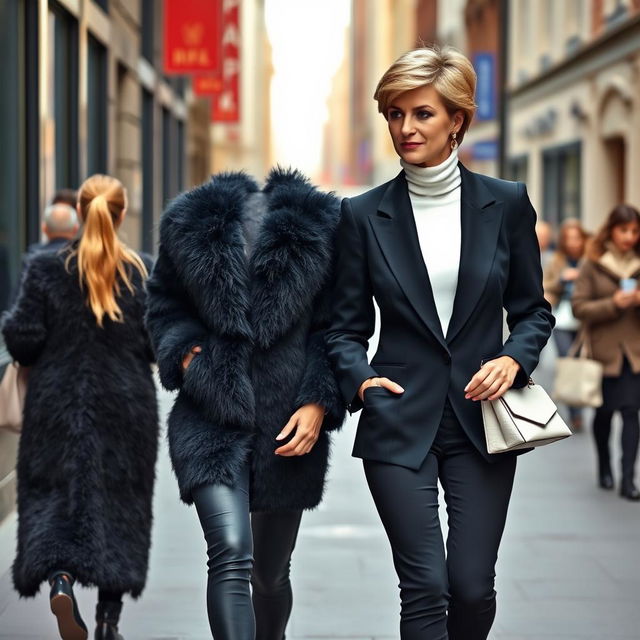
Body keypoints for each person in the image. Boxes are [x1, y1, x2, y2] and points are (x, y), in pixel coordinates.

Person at [325, 46, 554, 640]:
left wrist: (512, 358)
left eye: (422, 114)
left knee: (473, 587)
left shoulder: (505, 204)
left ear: (457, 120)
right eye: (395, 114)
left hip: (484, 420)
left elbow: (533, 310)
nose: (405, 128)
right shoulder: (361, 215)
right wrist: (360, 379)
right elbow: (345, 327)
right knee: (425, 586)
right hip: (399, 418)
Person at [145, 167, 345, 639]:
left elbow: (336, 327)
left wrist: (318, 401)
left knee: (270, 574)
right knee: (232, 551)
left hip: (288, 424)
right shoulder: (187, 221)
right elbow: (163, 305)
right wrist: (190, 359)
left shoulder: (325, 224)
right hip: (210, 415)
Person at [2, 174, 159, 640]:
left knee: (54, 500)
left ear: (80, 213)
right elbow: (156, 345)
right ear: (122, 214)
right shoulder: (142, 272)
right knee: (121, 507)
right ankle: (109, 621)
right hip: (126, 408)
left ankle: (61, 581)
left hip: (57, 407)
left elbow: (23, 339)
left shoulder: (48, 270)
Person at [572, 204, 640, 501]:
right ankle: (604, 466)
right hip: (603, 354)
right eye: (624, 230)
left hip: (635, 354)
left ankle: (628, 479)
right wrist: (614, 303)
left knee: (631, 413)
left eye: (635, 231)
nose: (630, 237)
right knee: (604, 414)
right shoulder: (594, 263)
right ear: (612, 229)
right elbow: (579, 307)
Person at [543, 218, 590, 430]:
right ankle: (575, 412)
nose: (573, 243)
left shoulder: (590, 260)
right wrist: (562, 279)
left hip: (584, 320)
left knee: (580, 363)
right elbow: (546, 284)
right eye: (569, 239)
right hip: (561, 319)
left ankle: (580, 403)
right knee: (566, 361)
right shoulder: (557, 260)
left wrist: (581, 277)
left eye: (577, 238)